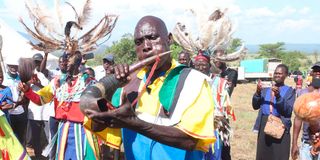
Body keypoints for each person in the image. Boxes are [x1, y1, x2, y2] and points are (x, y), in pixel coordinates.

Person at [84, 16, 215, 160]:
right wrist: (110, 88)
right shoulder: (128, 84)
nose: (146, 46)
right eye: (138, 42)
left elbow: (191, 140)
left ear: (169, 39)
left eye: (152, 37)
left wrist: (135, 123)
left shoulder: (193, 81)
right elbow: (97, 127)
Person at [19, 52, 99, 160]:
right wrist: (28, 91)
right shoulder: (58, 81)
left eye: (68, 60)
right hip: (63, 129)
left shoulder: (87, 82)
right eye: (64, 60)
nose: (65, 63)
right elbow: (40, 99)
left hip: (82, 131)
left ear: (77, 63)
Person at [193, 53, 233, 160]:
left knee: (213, 156)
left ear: (210, 66)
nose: (200, 68)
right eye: (197, 65)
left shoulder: (219, 83)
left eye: (204, 65)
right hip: (195, 127)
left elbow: (224, 107)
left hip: (214, 128)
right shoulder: (190, 81)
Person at [252, 64, 295, 160]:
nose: (277, 75)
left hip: (280, 125)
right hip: (265, 124)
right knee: (264, 155)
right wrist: (258, 93)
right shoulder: (266, 89)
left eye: (280, 73)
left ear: (286, 75)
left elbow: (287, 111)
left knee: (279, 155)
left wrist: (278, 96)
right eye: (276, 73)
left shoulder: (290, 91)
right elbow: (255, 106)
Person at [292, 62, 320, 160]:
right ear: (311, 73)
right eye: (316, 70)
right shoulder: (303, 93)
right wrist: (294, 143)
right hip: (306, 144)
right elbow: (298, 119)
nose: (318, 73)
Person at [2, 57, 28, 146]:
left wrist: (22, 94)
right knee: (11, 138)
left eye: (16, 66)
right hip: (8, 113)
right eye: (11, 66)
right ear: (8, 66)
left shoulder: (21, 78)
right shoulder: (3, 78)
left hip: (20, 112)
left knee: (21, 137)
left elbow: (24, 94)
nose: (14, 68)